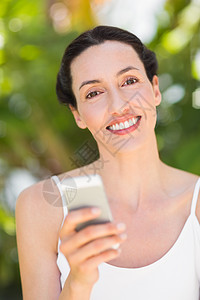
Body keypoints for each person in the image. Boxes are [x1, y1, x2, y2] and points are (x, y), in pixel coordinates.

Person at [16, 25, 200, 300]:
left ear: (155, 89)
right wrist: (79, 281)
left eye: (129, 81)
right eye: (94, 93)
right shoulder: (45, 206)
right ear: (77, 115)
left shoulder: (195, 202)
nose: (118, 105)